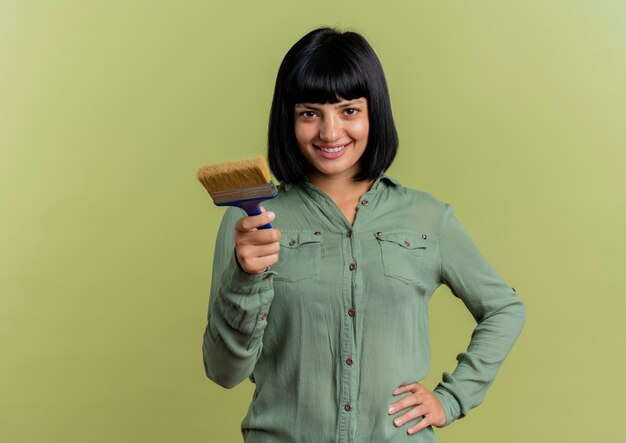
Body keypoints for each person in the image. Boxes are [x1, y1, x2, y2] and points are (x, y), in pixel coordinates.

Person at [202, 27, 525, 443]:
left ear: (375, 113)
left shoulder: (429, 218)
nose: (330, 132)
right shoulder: (251, 223)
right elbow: (223, 371)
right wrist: (245, 278)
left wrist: (452, 398)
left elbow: (505, 308)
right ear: (290, 118)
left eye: (349, 110)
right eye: (309, 112)